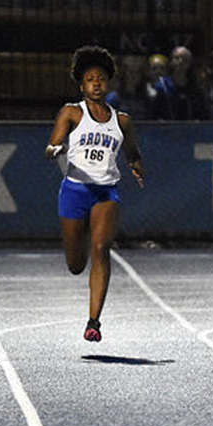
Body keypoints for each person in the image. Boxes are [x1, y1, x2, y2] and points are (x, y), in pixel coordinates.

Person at [44, 45, 145, 342]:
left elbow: (132, 153)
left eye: (101, 78)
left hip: (106, 191)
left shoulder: (121, 120)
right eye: (90, 79)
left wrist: (137, 167)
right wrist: (54, 149)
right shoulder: (72, 112)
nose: (96, 83)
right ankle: (83, 233)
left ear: (108, 81)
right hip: (75, 190)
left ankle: (94, 321)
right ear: (81, 84)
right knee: (76, 264)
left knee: (101, 249)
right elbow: (54, 143)